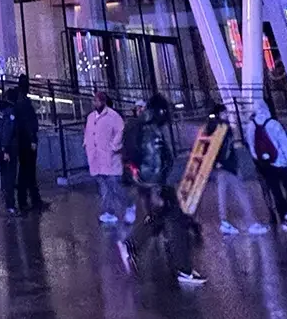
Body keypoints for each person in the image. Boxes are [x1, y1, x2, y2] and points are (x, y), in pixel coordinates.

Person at [119, 93, 204, 286]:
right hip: (155, 183)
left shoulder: (141, 125)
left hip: (148, 183)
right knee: (175, 221)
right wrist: (157, 189)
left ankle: (132, 244)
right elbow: (154, 162)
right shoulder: (151, 130)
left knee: (160, 217)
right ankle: (184, 269)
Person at [205, 103, 267, 235]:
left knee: (222, 195)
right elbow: (227, 147)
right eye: (225, 113)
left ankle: (224, 222)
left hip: (220, 167)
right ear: (220, 114)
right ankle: (251, 223)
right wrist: (225, 162)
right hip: (229, 166)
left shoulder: (210, 128)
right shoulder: (224, 127)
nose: (227, 115)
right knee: (242, 194)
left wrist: (215, 163)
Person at [251, 102, 287, 230]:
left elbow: (252, 147)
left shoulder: (251, 126)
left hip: (265, 165)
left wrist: (260, 160)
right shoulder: (274, 124)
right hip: (281, 163)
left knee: (276, 191)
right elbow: (285, 144)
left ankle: (284, 218)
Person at [84, 91, 126, 224]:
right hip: (96, 157)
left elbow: (120, 131)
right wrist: (87, 144)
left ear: (103, 102)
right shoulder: (91, 117)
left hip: (109, 156)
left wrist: (114, 146)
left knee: (113, 186)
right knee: (104, 186)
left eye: (96, 101)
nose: (94, 103)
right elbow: (88, 132)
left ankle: (122, 207)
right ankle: (109, 212)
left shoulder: (113, 116)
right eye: (94, 101)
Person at [13, 75, 47, 214]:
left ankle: (28, 199)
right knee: (28, 171)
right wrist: (32, 139)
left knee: (25, 170)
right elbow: (28, 123)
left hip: (22, 141)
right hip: (27, 141)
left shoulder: (19, 101)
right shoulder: (24, 102)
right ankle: (29, 199)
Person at [0, 88, 19, 213]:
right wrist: (6, 148)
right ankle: (10, 204)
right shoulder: (10, 110)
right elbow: (8, 130)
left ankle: (7, 202)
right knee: (11, 175)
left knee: (5, 175)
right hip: (10, 147)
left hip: (2, 146)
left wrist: (1, 146)